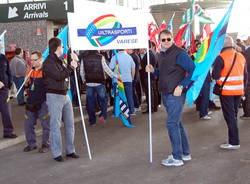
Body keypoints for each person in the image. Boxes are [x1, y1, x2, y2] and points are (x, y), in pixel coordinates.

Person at [146, 29, 195, 167]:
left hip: (176, 95)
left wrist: (182, 86)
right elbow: (162, 73)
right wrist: (153, 71)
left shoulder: (180, 53)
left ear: (172, 39)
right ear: (159, 41)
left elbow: (194, 71)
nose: (166, 41)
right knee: (177, 123)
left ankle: (177, 157)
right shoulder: (161, 55)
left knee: (172, 124)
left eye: (169, 39)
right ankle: (185, 153)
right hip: (166, 94)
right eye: (163, 40)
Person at [43, 37, 79, 162]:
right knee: (55, 125)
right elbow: (59, 76)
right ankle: (57, 153)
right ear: (58, 48)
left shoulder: (60, 60)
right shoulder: (48, 62)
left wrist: (74, 63)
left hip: (65, 95)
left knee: (70, 124)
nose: (64, 48)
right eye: (63, 46)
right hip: (54, 96)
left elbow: (67, 73)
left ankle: (70, 150)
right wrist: (71, 67)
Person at [212, 36, 247, 150]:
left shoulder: (220, 58)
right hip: (239, 91)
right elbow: (246, 75)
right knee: (234, 115)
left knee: (230, 117)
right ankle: (233, 138)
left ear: (222, 45)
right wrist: (243, 90)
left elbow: (215, 75)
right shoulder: (241, 56)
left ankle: (234, 142)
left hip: (226, 92)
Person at [79, 50, 119, 126]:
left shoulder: (84, 58)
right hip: (100, 82)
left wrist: (84, 80)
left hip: (89, 83)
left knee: (90, 102)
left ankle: (92, 121)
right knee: (104, 100)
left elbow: (81, 71)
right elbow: (107, 69)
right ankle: (103, 115)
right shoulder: (100, 57)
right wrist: (116, 76)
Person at [23, 51, 50, 153]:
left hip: (43, 102)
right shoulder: (30, 70)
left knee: (46, 125)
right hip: (31, 102)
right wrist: (26, 83)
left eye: (35, 60)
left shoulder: (46, 71)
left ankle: (45, 144)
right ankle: (31, 144)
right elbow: (26, 86)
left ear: (40, 59)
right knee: (28, 124)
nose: (32, 62)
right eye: (31, 60)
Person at [109, 50, 136, 115]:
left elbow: (110, 68)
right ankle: (132, 111)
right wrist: (132, 77)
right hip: (128, 79)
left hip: (118, 80)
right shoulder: (129, 57)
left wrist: (112, 76)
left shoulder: (115, 57)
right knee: (129, 96)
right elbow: (133, 68)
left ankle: (116, 112)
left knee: (117, 97)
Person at [0, 41, 18, 139]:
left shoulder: (3, 58)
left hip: (4, 90)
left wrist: (8, 84)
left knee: (6, 112)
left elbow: (9, 72)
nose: (2, 46)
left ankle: (8, 131)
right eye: (0, 45)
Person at [241, 36, 250, 120]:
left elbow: (245, 65)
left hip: (248, 77)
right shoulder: (246, 50)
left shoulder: (248, 52)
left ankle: (247, 113)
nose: (244, 40)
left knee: (246, 94)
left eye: (246, 39)